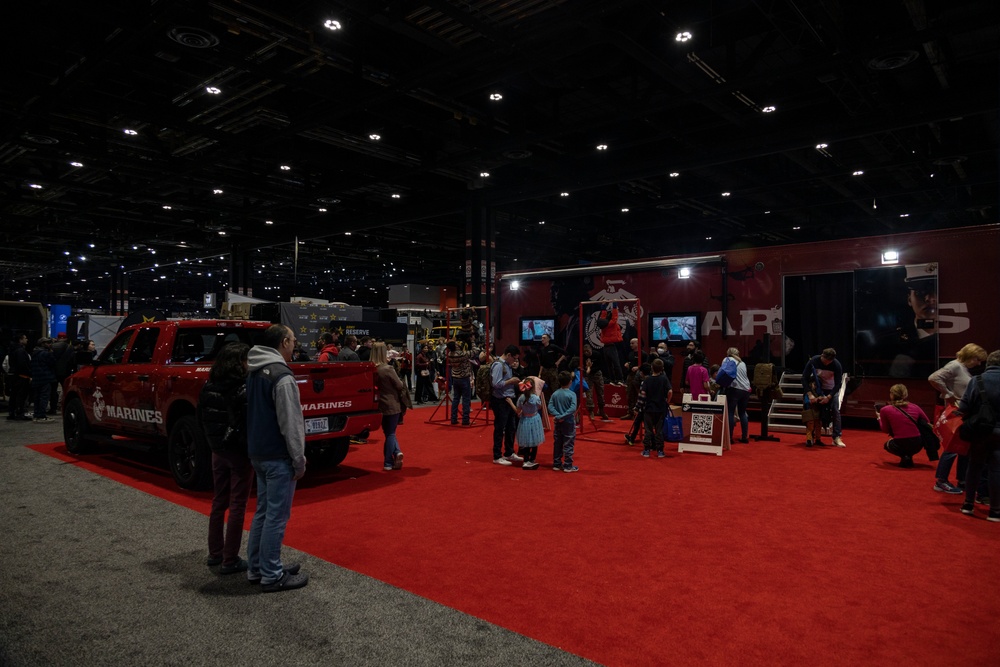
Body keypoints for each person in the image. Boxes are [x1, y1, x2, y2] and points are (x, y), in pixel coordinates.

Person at [245, 324, 308, 592]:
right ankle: (271, 573)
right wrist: (299, 459)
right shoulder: (281, 376)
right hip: (277, 454)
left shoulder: (255, 370)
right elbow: (291, 423)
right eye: (293, 340)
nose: (295, 345)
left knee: (262, 513)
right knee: (276, 517)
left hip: (258, 451)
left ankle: (258, 567)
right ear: (284, 342)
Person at [197, 342, 253, 574]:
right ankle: (230, 559)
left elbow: (201, 417)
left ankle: (215, 553)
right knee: (238, 505)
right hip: (238, 453)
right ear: (239, 363)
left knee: (219, 502)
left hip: (217, 450)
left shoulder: (208, 386)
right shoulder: (243, 388)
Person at [928, 344, 987, 494]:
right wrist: (948, 394)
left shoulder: (962, 368)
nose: (978, 363)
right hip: (957, 412)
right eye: (977, 359)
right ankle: (941, 481)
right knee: (952, 448)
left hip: (963, 413)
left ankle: (962, 480)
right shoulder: (955, 366)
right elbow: (934, 377)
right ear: (970, 355)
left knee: (963, 448)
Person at [958, 349, 1000, 521]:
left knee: (974, 466)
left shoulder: (977, 380)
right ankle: (995, 511)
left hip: (979, 432)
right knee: (996, 470)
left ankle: (968, 504)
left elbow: (964, 407)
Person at [371, 342, 407, 472]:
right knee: (391, 433)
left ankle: (396, 452)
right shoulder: (387, 369)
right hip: (392, 404)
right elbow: (399, 385)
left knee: (388, 432)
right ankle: (388, 462)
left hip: (378, 405)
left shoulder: (371, 368)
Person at [877, 384, 931, 468]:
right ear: (905, 395)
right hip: (917, 443)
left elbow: (885, 430)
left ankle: (904, 456)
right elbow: (927, 422)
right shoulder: (915, 407)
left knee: (887, 445)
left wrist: (879, 418)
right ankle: (908, 456)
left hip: (899, 443)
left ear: (892, 395)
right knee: (909, 444)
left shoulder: (885, 410)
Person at [802, 348, 846, 447]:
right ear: (822, 355)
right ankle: (811, 437)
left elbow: (838, 384)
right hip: (817, 389)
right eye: (825, 361)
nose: (826, 364)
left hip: (831, 390)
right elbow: (804, 378)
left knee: (835, 411)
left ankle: (836, 437)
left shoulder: (836, 365)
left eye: (829, 362)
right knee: (812, 414)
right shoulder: (813, 361)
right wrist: (810, 394)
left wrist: (829, 397)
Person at [490, 345, 523, 466]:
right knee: (500, 428)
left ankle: (509, 452)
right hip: (500, 400)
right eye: (514, 358)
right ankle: (497, 455)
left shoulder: (507, 365)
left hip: (509, 398)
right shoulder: (499, 365)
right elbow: (496, 384)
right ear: (508, 355)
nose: (515, 361)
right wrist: (511, 381)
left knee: (511, 427)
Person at [639, 358, 672, 458]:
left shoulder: (647, 380)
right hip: (661, 408)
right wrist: (668, 401)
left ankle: (646, 450)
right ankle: (660, 451)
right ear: (662, 369)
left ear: (652, 368)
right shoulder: (664, 379)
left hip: (648, 408)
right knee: (659, 430)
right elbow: (670, 391)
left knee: (648, 430)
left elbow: (643, 394)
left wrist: (639, 407)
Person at [549, 371, 579, 472]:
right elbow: (572, 408)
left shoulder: (555, 393)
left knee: (558, 442)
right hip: (568, 421)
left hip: (558, 421)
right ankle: (568, 465)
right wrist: (563, 416)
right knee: (569, 442)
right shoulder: (572, 394)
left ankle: (556, 464)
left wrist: (558, 416)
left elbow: (550, 406)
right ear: (570, 382)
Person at [722, 347, 751, 444]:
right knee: (742, 413)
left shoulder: (727, 359)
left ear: (728, 353)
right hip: (746, 389)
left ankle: (729, 438)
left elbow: (723, 373)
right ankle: (744, 437)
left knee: (730, 412)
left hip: (734, 389)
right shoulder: (742, 363)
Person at [515, 379, 544, 469]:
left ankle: (526, 460)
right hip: (535, 419)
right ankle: (532, 459)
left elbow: (518, 410)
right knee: (535, 439)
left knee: (526, 440)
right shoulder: (535, 398)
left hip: (525, 419)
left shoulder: (521, 398)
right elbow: (540, 406)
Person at [29, 337, 56, 422]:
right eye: (48, 343)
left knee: (37, 397)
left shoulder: (34, 353)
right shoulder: (46, 353)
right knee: (44, 397)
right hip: (45, 377)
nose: (50, 344)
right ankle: (41, 415)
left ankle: (36, 414)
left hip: (36, 377)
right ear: (43, 344)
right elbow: (53, 363)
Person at [6, 334, 32, 421]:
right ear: (20, 340)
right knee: (21, 396)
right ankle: (19, 413)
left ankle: (12, 412)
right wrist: (29, 373)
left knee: (14, 395)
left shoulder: (12, 350)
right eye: (25, 338)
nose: (27, 340)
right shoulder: (21, 351)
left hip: (14, 376)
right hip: (22, 376)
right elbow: (22, 364)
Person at [446, 340, 472, 426]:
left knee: (456, 399)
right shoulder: (462, 354)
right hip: (464, 377)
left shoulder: (450, 354)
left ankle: (453, 418)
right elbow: (473, 352)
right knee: (466, 399)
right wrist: (471, 342)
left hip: (455, 378)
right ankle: (465, 419)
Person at [582, 344, 611, 421]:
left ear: (591, 349)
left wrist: (590, 368)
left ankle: (601, 410)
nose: (586, 353)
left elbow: (601, 365)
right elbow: (582, 367)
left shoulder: (597, 354)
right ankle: (591, 411)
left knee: (600, 392)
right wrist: (586, 369)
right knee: (589, 393)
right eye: (585, 352)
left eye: (587, 351)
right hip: (588, 376)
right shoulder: (583, 357)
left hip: (597, 374)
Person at [537, 333, 566, 401]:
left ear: (548, 339)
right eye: (542, 338)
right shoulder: (542, 350)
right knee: (545, 388)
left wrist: (558, 362)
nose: (542, 339)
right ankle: (547, 404)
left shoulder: (553, 347)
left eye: (544, 338)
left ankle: (557, 401)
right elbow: (542, 363)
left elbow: (565, 353)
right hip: (545, 371)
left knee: (555, 387)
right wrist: (539, 374)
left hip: (553, 370)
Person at [802, 376, 826, 447]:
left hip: (817, 410)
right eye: (814, 384)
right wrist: (816, 399)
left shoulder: (819, 392)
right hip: (810, 410)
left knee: (818, 425)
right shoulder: (808, 393)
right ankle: (809, 439)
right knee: (810, 426)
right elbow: (807, 402)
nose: (815, 386)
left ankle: (818, 439)